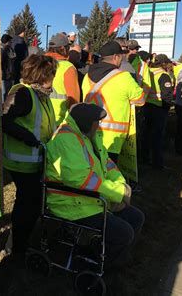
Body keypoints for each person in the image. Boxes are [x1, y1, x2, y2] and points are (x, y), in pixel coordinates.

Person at [45, 103, 145, 270]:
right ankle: (94, 264)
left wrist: (121, 185)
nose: (100, 125)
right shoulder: (66, 140)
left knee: (136, 218)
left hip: (91, 199)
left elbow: (108, 164)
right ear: (87, 124)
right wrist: (119, 193)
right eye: (97, 122)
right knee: (124, 233)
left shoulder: (91, 136)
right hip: (71, 205)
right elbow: (81, 180)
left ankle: (111, 257)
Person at [2, 54, 57, 258]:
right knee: (27, 206)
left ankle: (20, 244)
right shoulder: (23, 94)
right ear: (41, 76)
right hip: (22, 163)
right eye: (51, 75)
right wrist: (28, 138)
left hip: (35, 162)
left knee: (31, 204)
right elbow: (5, 121)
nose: (53, 80)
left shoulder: (41, 95)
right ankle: (18, 249)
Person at [82, 41, 145, 163]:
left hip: (89, 132)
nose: (123, 59)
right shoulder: (124, 77)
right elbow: (140, 100)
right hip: (112, 137)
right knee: (109, 173)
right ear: (116, 57)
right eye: (121, 56)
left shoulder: (87, 76)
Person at [143, 54, 174, 169]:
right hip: (159, 108)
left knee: (146, 134)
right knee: (158, 137)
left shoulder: (148, 72)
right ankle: (157, 163)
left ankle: (145, 158)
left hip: (147, 106)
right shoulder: (163, 75)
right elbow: (166, 95)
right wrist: (167, 108)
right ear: (164, 63)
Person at [45, 33, 80, 126]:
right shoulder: (67, 67)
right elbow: (74, 100)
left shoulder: (38, 62)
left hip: (39, 117)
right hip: (59, 121)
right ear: (63, 49)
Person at [0, 33, 15, 99]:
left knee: (9, 93)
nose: (11, 42)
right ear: (7, 41)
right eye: (10, 41)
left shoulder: (10, 50)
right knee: (4, 93)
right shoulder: (2, 50)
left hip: (10, 76)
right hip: (4, 76)